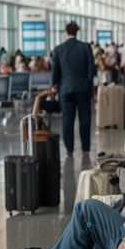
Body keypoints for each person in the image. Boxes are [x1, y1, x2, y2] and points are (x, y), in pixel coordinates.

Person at [50, 22, 96, 156]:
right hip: (83, 88)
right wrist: (88, 83)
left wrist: (54, 84)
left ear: (66, 32)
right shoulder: (86, 47)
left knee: (67, 119)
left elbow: (55, 71)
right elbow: (91, 70)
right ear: (77, 32)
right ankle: (85, 147)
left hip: (65, 89)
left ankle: (69, 148)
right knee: (85, 119)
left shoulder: (58, 49)